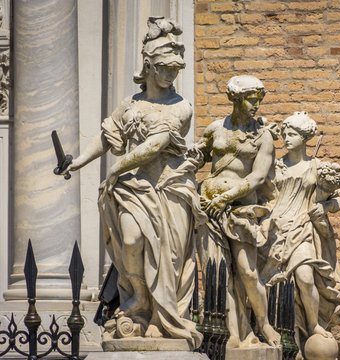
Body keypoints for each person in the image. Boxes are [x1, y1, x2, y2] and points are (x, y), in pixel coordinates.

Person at [61, 17, 204, 347]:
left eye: (175, 69)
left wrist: (115, 169)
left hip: (170, 187)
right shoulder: (130, 104)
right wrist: (77, 162)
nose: (171, 74)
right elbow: (108, 136)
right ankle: (137, 303)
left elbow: (153, 146)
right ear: (149, 66)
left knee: (168, 258)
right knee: (129, 241)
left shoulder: (180, 107)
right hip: (134, 188)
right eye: (165, 67)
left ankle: (165, 319)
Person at [195, 75, 281, 347]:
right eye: (249, 100)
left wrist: (226, 196)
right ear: (234, 98)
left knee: (247, 271)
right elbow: (199, 157)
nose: (255, 106)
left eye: (258, 100)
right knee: (219, 273)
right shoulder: (216, 129)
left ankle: (264, 324)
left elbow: (257, 178)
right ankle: (233, 332)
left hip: (241, 210)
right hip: (209, 209)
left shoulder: (263, 136)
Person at [259, 112, 340, 354]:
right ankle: (287, 336)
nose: (286, 138)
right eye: (285, 134)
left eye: (292, 134)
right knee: (275, 287)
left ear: (305, 137)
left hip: (303, 228)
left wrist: (325, 206)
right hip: (276, 231)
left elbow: (337, 201)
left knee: (306, 277)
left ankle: (313, 324)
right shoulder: (275, 166)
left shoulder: (316, 166)